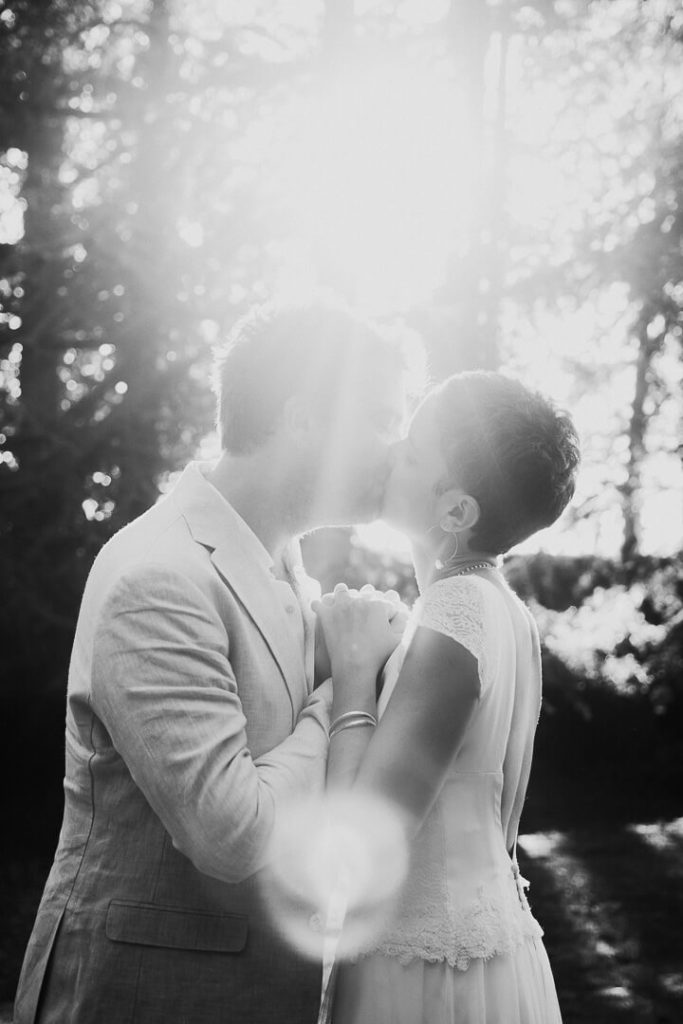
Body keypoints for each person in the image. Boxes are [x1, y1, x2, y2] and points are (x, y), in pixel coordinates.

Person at [14, 301, 408, 1024]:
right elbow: (235, 837)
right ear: (304, 420)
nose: (395, 448)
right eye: (379, 419)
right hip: (140, 994)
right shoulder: (158, 576)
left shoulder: (286, 568)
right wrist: (342, 685)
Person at [314, 371, 580, 1024]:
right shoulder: (506, 611)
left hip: (428, 976)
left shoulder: (455, 608)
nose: (388, 455)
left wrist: (353, 669)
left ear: (455, 512)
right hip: (489, 954)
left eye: (409, 453)